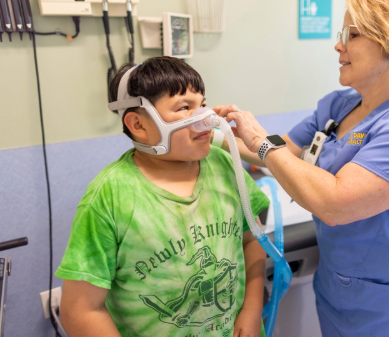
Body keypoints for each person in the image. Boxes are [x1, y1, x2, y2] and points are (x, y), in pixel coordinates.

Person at [214, 0, 389, 337]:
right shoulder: (338, 106)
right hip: (335, 291)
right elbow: (285, 151)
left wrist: (259, 139)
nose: (337, 45)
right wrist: (214, 136)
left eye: (352, 35)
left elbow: (335, 203)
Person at [56, 57, 269, 337]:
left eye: (202, 104)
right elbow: (80, 311)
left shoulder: (224, 166)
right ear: (139, 124)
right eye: (185, 107)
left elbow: (252, 238)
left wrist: (252, 311)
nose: (207, 118)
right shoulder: (109, 197)